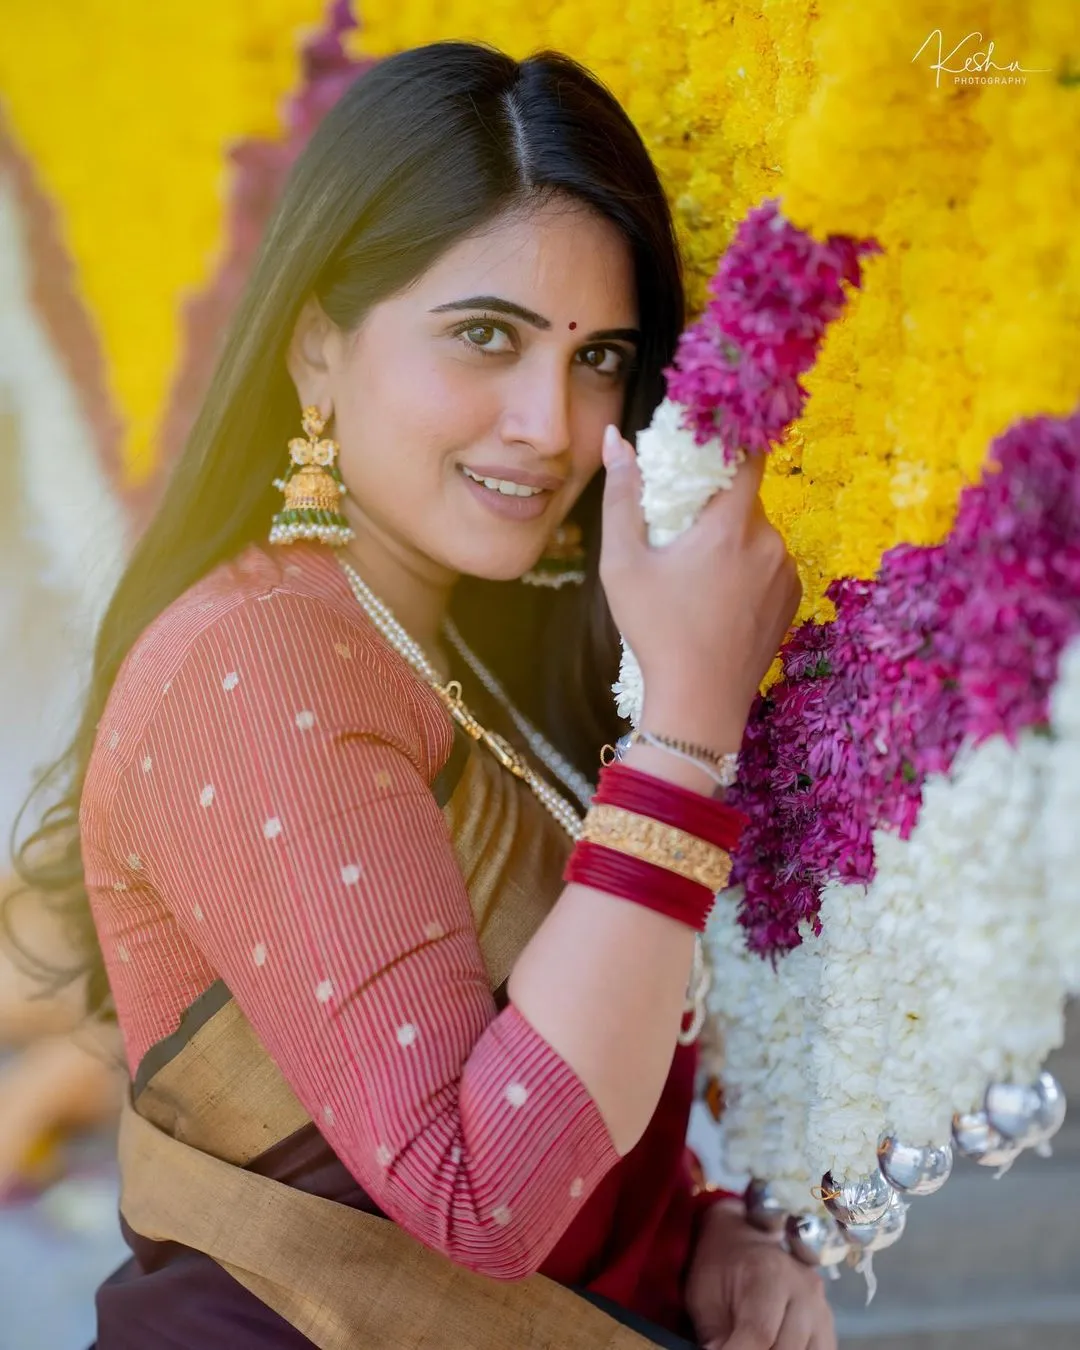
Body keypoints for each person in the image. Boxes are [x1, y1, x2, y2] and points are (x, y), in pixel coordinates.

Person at [10, 40, 829, 1350]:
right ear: (318, 347)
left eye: (599, 358)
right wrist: (686, 727)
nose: (550, 425)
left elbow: (569, 1074)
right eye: (486, 336)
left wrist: (706, 1227)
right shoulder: (259, 654)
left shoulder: (467, 645)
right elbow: (483, 1196)